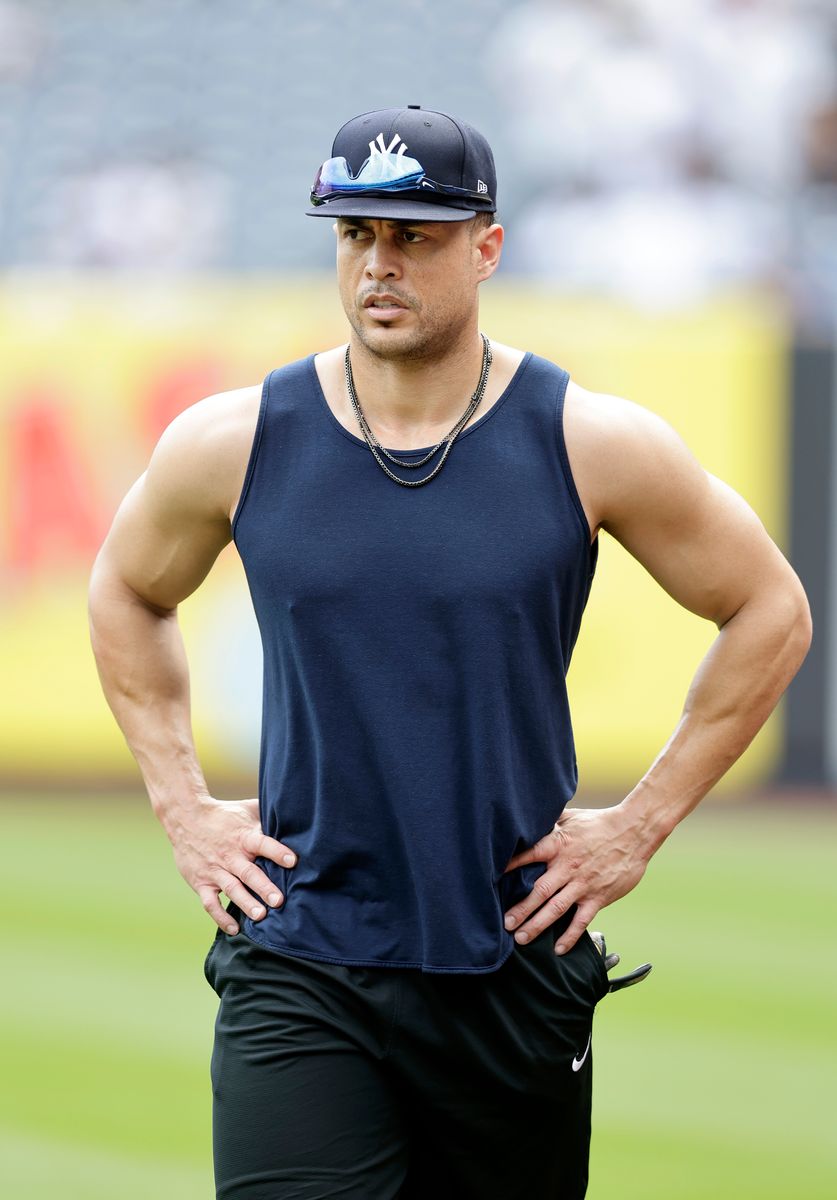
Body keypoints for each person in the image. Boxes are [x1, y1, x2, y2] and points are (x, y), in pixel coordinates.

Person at [88, 105, 811, 1199]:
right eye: (355, 235)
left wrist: (639, 828)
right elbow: (126, 591)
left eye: (413, 236)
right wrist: (183, 806)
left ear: (487, 248)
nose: (379, 264)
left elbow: (771, 608)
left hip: (511, 961)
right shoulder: (234, 443)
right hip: (303, 957)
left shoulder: (589, 441)